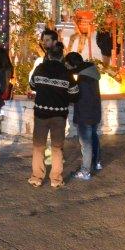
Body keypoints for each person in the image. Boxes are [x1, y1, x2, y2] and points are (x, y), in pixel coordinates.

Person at [28, 42, 77, 188]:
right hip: (59, 115)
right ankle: (56, 179)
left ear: (48, 55)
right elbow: (75, 94)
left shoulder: (40, 68)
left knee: (38, 146)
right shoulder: (67, 73)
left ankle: (37, 177)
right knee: (57, 147)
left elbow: (32, 85)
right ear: (62, 56)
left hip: (41, 113)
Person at [65, 52, 101, 179]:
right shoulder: (91, 73)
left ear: (73, 65)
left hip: (85, 115)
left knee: (86, 143)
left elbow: (76, 97)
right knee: (94, 137)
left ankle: (85, 171)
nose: (67, 68)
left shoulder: (83, 79)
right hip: (95, 112)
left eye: (68, 65)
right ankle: (96, 162)